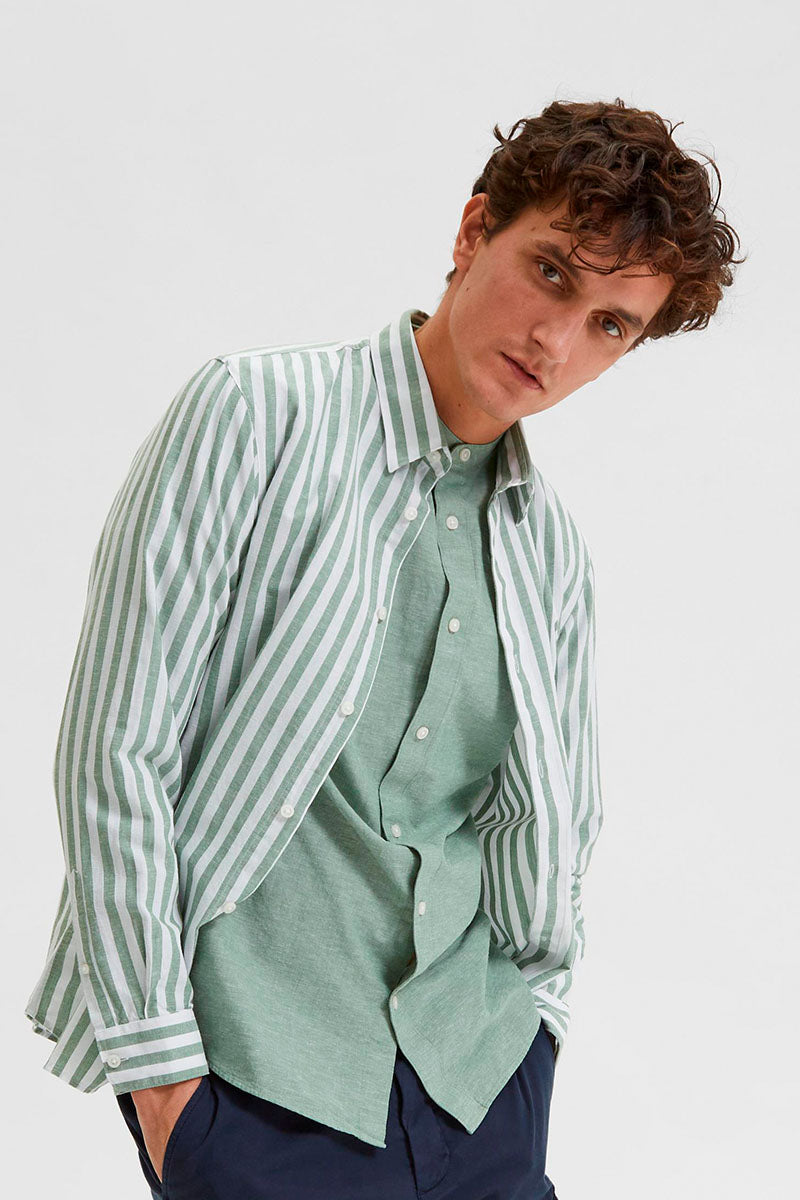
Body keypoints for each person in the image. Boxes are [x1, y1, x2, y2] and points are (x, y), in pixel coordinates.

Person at [24, 96, 743, 1199]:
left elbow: (546, 821)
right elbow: (115, 753)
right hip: (257, 1086)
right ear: (473, 232)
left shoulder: (550, 551)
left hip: (477, 1085)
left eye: (610, 325)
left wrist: (537, 1025)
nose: (557, 341)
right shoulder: (256, 416)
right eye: (551, 272)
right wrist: (163, 1082)